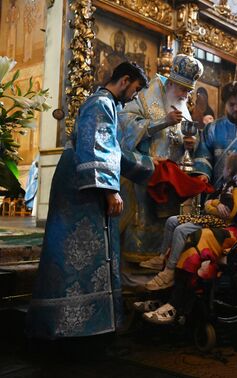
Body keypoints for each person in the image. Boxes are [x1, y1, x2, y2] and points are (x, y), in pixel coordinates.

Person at [26, 62, 151, 339]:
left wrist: (147, 167)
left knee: (85, 253)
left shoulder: (106, 103)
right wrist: (110, 190)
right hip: (81, 189)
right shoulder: (101, 103)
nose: (135, 95)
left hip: (82, 182)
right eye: (136, 88)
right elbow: (98, 145)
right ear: (125, 80)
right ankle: (69, 325)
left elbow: (113, 151)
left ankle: (84, 322)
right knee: (74, 253)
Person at [138, 154, 237, 322]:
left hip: (217, 223)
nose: (222, 170)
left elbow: (227, 212)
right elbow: (210, 203)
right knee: (172, 221)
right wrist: (213, 204)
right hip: (210, 217)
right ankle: (161, 259)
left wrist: (213, 205)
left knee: (181, 230)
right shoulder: (227, 186)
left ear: (230, 170)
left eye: (225, 167)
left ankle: (170, 272)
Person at [117, 54, 204, 264]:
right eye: (183, 89)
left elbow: (182, 136)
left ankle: (159, 261)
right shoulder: (146, 95)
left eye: (189, 90)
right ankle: (135, 262)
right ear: (171, 83)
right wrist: (163, 121)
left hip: (170, 177)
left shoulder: (180, 103)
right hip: (144, 172)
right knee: (144, 220)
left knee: (166, 221)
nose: (185, 95)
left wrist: (191, 144)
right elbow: (126, 125)